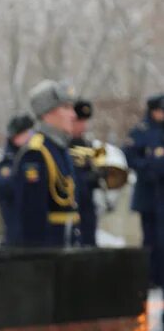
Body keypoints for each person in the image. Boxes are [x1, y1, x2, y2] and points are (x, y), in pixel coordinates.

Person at [12, 80, 80, 247]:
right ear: (47, 113)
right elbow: (32, 217)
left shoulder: (60, 148)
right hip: (49, 253)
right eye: (66, 108)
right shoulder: (36, 153)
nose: (73, 115)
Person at [124, 94, 164, 289]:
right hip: (148, 192)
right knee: (149, 238)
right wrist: (147, 166)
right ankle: (150, 276)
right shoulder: (141, 131)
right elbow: (129, 156)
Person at [0, 114, 34, 245]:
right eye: (26, 133)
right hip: (16, 237)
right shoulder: (6, 165)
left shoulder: (34, 158)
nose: (31, 137)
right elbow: (8, 187)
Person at [69, 100, 100, 246]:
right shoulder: (63, 145)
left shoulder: (89, 145)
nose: (83, 126)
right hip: (71, 207)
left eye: (84, 121)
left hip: (87, 207)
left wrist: (99, 176)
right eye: (78, 121)